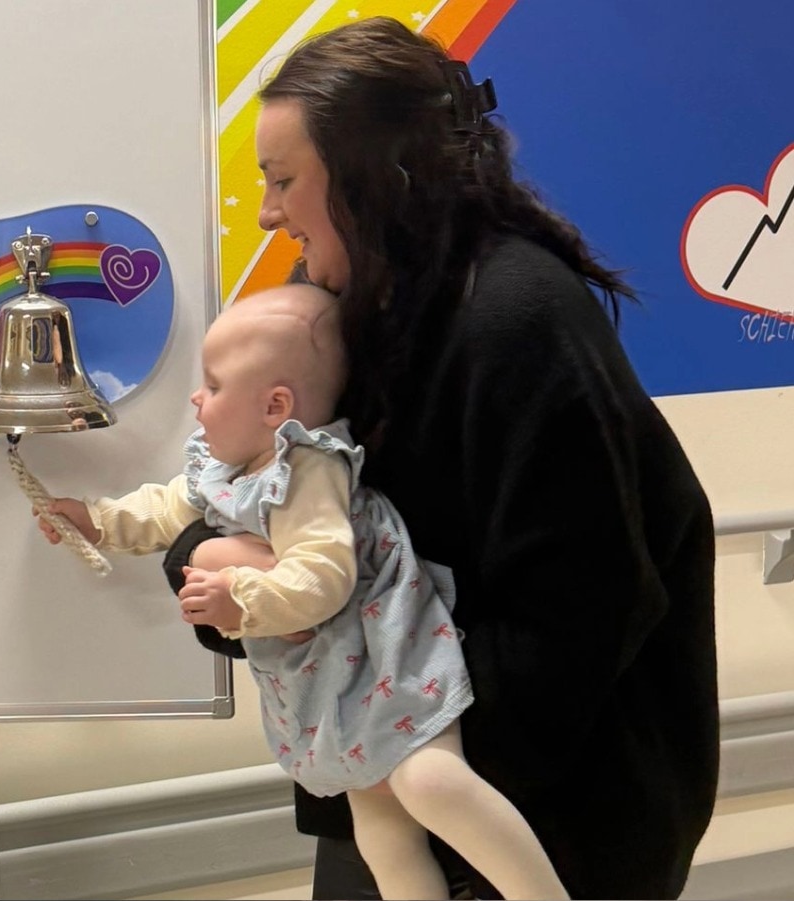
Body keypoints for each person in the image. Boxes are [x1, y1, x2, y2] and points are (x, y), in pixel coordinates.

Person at [160, 15, 718, 901]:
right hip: (382, 768)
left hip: (530, 813)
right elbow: (236, 482)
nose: (267, 211)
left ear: (379, 174)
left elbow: (582, 614)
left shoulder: (518, 319)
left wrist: (395, 725)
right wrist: (213, 565)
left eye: (283, 179)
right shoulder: (329, 310)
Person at [36, 284, 568, 900]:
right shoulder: (225, 468)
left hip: (387, 662)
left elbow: (323, 576)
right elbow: (165, 509)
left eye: (213, 385)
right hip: (335, 682)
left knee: (430, 782)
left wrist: (244, 596)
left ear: (275, 406)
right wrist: (98, 520)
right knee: (380, 830)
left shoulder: (308, 470)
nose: (196, 398)